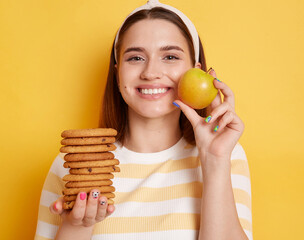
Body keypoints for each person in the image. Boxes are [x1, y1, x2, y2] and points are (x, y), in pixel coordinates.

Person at [34, 0, 252, 239]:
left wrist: (215, 161)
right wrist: (76, 227)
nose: (150, 72)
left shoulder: (227, 156)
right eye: (136, 58)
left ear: (196, 70)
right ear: (117, 72)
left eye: (170, 56)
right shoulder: (73, 165)